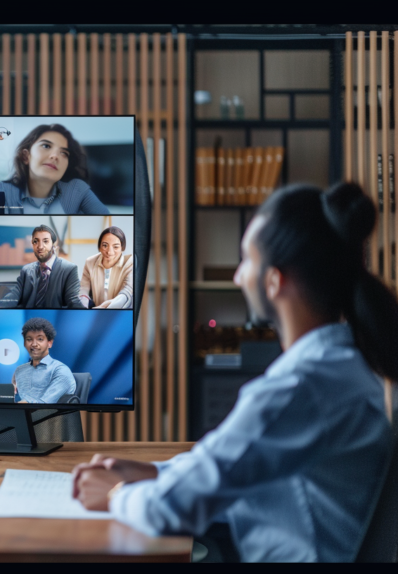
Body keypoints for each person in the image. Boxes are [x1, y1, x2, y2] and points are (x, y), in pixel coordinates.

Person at [72, 182, 398, 562]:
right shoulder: (340, 364)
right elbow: (227, 463)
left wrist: (115, 495)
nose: (238, 277)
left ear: (275, 280)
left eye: (246, 261)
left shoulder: (299, 387)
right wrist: (153, 471)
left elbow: (172, 510)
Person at [0, 124, 109, 215]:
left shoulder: (77, 190)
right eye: (46, 146)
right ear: (25, 156)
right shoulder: (2, 190)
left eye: (64, 153)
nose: (55, 156)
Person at [0, 225, 85, 309]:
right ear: (32, 244)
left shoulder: (69, 269)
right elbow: (15, 295)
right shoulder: (26, 270)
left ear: (53, 245)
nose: (40, 246)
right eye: (36, 241)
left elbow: (73, 300)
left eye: (45, 241)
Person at [11, 318, 76, 404]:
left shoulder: (61, 371)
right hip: (18, 415)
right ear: (24, 343)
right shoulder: (19, 370)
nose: (34, 344)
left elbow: (44, 405)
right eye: (29, 339)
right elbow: (13, 399)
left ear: (50, 343)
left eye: (40, 339)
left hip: (49, 417)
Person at [78, 226, 133, 309]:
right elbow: (83, 289)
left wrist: (105, 308)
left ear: (122, 247)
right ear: (99, 247)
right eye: (105, 245)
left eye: (116, 247)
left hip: (120, 313)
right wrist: (83, 307)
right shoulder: (90, 262)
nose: (109, 252)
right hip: (94, 312)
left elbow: (126, 292)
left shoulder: (130, 262)